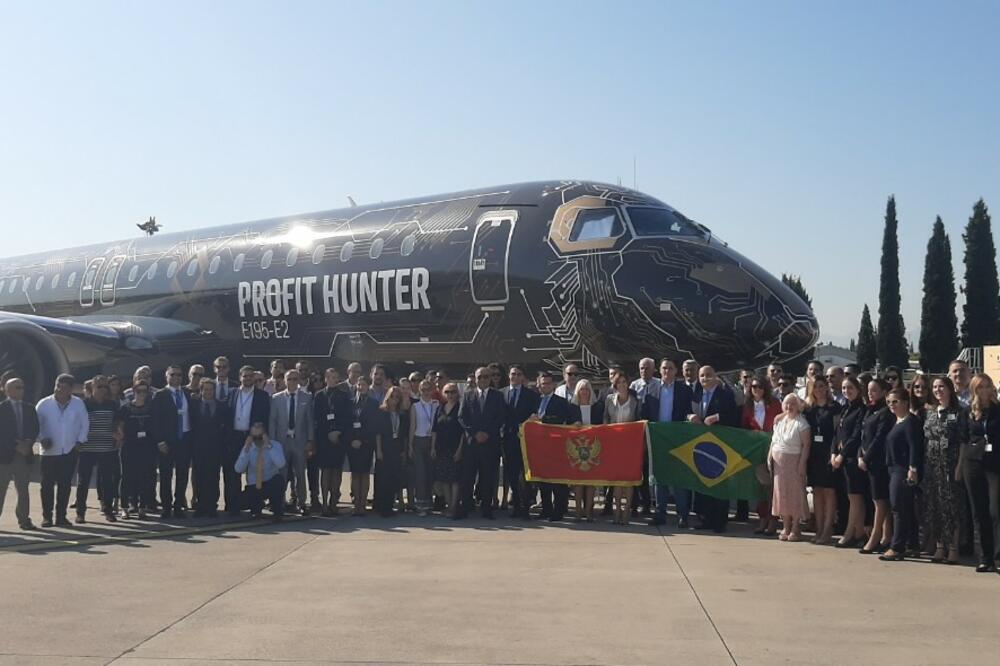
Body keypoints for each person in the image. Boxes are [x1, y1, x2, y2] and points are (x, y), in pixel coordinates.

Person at [689, 366, 739, 533]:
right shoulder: (696, 394)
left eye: (709, 375)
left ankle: (720, 521)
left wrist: (717, 417)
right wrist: (690, 416)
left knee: (719, 484)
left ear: (715, 376)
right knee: (704, 483)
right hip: (701, 445)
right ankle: (705, 519)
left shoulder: (725, 394)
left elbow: (734, 417)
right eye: (702, 376)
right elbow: (686, 411)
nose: (705, 378)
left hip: (720, 446)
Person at [921, 376, 966, 565]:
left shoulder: (959, 412)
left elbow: (962, 441)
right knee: (934, 506)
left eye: (941, 387)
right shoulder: (930, 412)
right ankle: (940, 546)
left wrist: (959, 466)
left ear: (949, 389)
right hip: (932, 464)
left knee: (951, 507)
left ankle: (953, 548)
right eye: (935, 387)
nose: (938, 390)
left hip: (950, 463)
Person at [36, 374, 88, 527]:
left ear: (71, 389)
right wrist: (41, 438)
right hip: (49, 452)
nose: (59, 389)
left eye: (64, 387)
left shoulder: (78, 404)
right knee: (47, 485)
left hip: (69, 451)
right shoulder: (44, 404)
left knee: (65, 485)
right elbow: (35, 425)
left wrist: (80, 441)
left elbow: (84, 424)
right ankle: (47, 517)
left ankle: (61, 516)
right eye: (58, 385)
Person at [880, 389, 924, 561]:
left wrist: (913, 468)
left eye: (895, 401)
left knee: (898, 508)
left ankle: (897, 547)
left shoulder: (911, 422)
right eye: (889, 402)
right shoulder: (897, 421)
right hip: (893, 468)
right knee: (906, 508)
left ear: (906, 402)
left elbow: (914, 446)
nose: (892, 405)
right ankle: (912, 544)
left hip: (903, 469)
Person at [962, 373, 1000, 572]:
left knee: (995, 510)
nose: (984, 391)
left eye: (988, 386)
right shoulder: (968, 412)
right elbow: (963, 438)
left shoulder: (997, 410)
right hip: (973, 463)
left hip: (995, 464)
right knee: (979, 511)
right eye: (980, 387)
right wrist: (960, 468)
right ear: (974, 390)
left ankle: (997, 554)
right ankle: (985, 558)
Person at [458, 367, 507, 519]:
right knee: (468, 478)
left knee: (488, 478)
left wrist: (487, 433)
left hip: (489, 443)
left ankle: (487, 509)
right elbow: (462, 417)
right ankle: (465, 507)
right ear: (476, 378)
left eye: (486, 377)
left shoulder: (497, 396)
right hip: (472, 444)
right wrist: (475, 433)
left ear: (490, 378)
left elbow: (500, 417)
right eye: (480, 377)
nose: (483, 380)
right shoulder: (468, 395)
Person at [650, 357, 693, 527]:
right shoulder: (652, 389)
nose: (667, 371)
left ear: (676, 371)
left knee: (679, 479)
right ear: (660, 371)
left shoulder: (684, 390)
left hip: (678, 439)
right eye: (664, 368)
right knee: (659, 479)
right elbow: (646, 412)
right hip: (658, 438)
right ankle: (660, 514)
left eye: (670, 368)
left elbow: (689, 411)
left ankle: (683, 515)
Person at [225, 366, 271, 516]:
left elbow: (265, 420)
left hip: (254, 438)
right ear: (240, 377)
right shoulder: (231, 393)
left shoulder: (262, 396)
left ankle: (256, 507)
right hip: (234, 438)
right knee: (233, 473)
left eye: (251, 376)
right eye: (245, 376)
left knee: (254, 474)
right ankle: (233, 506)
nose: (248, 379)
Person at [76, 375, 122, 523]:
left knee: (107, 480)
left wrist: (119, 434)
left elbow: (118, 424)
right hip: (87, 448)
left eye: (105, 387)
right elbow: (77, 424)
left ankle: (108, 510)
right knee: (83, 481)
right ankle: (80, 512)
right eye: (99, 387)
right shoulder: (84, 404)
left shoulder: (112, 404)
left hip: (107, 448)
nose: (102, 390)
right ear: (92, 388)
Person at [269, 369, 314, 514]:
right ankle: (279, 502)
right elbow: (273, 422)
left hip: (299, 441)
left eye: (295, 379)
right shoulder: (276, 398)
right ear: (285, 381)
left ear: (299, 380)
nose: (292, 382)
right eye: (290, 379)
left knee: (300, 473)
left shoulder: (307, 397)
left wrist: (310, 440)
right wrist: (272, 443)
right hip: (282, 442)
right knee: (281, 473)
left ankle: (302, 502)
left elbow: (309, 421)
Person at [151, 365, 193, 519]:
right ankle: (167, 507)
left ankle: (178, 505)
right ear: (166, 376)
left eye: (179, 375)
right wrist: (159, 441)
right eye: (172, 374)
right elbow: (155, 420)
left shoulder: (187, 394)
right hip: (167, 441)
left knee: (182, 475)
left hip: (185, 440)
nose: (176, 377)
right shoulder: (161, 395)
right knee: (166, 475)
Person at [803, 376, 842, 544]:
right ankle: (818, 529)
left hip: (829, 453)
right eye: (815, 386)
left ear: (827, 388)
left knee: (829, 492)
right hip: (814, 455)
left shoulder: (835, 408)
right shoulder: (809, 409)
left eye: (821, 386)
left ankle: (827, 530)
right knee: (817, 491)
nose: (818, 389)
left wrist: (834, 452)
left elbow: (837, 433)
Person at [741, 376, 781, 536]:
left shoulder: (775, 404)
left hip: (772, 450)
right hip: (756, 451)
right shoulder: (748, 407)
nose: (757, 390)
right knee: (760, 488)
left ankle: (773, 520)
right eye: (754, 387)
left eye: (760, 387)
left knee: (772, 487)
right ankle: (762, 518)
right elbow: (744, 428)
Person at [532, 372, 574, 522]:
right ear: (539, 385)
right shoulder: (535, 400)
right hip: (539, 445)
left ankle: (559, 510)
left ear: (554, 385)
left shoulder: (561, 401)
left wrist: (542, 419)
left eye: (549, 383)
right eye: (543, 383)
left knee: (558, 481)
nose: (546, 386)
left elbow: (560, 419)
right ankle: (546, 509)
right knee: (543, 480)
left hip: (556, 446)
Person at [858, 378, 894, 554]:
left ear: (883, 392)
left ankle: (876, 535)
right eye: (869, 390)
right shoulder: (870, 409)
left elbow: (879, 438)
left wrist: (867, 457)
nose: (871, 393)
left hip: (879, 461)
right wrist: (860, 455)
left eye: (874, 390)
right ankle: (886, 536)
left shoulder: (886, 412)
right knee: (878, 499)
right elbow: (863, 435)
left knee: (880, 500)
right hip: (866, 459)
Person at [768, 394, 811, 541]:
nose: (789, 407)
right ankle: (785, 526)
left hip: (794, 463)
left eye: (792, 404)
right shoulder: (780, 420)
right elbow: (774, 441)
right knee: (781, 494)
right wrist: (769, 457)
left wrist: (802, 464)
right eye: (786, 404)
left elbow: (806, 446)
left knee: (795, 495)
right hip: (779, 465)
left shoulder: (802, 423)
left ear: (798, 406)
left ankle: (795, 528)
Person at [831, 377, 868, 548]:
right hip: (841, 459)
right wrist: (833, 453)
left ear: (858, 389)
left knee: (855, 498)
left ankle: (849, 533)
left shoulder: (862, 409)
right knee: (851, 497)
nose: (847, 391)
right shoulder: (845, 408)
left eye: (850, 388)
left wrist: (842, 455)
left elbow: (856, 436)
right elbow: (837, 433)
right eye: (844, 388)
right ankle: (858, 531)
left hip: (852, 458)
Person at [0, 377, 40, 530]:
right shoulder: (2, 408)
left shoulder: (29, 408)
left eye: (22, 387)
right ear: (7, 390)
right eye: (17, 387)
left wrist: (28, 442)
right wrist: (16, 445)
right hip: (5, 456)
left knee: (23, 489)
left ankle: (24, 520)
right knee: (1, 489)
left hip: (24, 455)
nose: (21, 390)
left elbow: (34, 427)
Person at [501, 365, 539, 519]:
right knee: (511, 474)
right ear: (509, 376)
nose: (515, 377)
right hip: (508, 439)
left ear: (523, 377)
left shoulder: (531, 395)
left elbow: (534, 414)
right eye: (513, 374)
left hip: (525, 440)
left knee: (525, 476)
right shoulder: (501, 393)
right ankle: (516, 505)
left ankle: (525, 507)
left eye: (518, 374)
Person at [604, 373, 641, 525]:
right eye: (619, 382)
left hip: (630, 444)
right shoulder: (608, 400)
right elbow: (605, 419)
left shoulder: (635, 401)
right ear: (615, 385)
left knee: (629, 480)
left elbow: (638, 421)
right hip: (614, 444)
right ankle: (617, 511)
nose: (622, 385)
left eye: (624, 382)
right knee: (617, 479)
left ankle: (627, 511)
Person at [190, 378, 230, 517]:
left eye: (211, 389)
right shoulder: (194, 405)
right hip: (198, 447)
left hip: (215, 447)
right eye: (205, 389)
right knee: (199, 477)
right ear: (201, 390)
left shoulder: (222, 406)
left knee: (213, 477)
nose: (208, 392)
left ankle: (212, 505)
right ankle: (201, 505)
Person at [313, 367, 350, 516]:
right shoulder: (319, 396)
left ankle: (334, 502)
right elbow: (317, 418)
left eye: (336, 377)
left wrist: (338, 432)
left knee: (337, 471)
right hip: (324, 439)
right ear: (326, 378)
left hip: (339, 439)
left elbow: (347, 417)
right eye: (331, 377)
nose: (334, 379)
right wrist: (327, 433)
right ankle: (324, 503)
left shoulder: (344, 395)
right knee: (325, 471)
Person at [119, 380, 156, 519]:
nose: (141, 394)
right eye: (139, 391)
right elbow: (118, 424)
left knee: (144, 478)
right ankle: (124, 507)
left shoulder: (151, 409)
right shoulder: (126, 408)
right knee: (127, 478)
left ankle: (142, 507)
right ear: (134, 392)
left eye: (144, 391)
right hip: (129, 447)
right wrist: (119, 435)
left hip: (146, 448)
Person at [234, 422, 286, 520]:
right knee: (238, 502)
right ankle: (257, 508)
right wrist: (246, 450)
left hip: (270, 483)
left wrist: (269, 446)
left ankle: (277, 510)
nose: (257, 440)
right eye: (255, 437)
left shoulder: (275, 445)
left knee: (279, 480)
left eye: (260, 436)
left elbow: (281, 464)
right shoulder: (248, 447)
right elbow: (238, 469)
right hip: (254, 486)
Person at [569, 379, 604, 521]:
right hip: (577, 450)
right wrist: (573, 425)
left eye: (587, 389)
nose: (584, 392)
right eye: (582, 389)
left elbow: (601, 425)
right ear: (577, 391)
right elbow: (566, 426)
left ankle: (589, 511)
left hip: (593, 449)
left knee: (590, 482)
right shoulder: (571, 407)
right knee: (578, 482)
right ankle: (578, 511)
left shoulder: (597, 407)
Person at [347, 375, 380, 516]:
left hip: (366, 443)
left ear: (368, 386)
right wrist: (352, 440)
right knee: (355, 474)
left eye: (364, 385)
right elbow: (347, 423)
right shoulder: (350, 402)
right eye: (359, 385)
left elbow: (373, 425)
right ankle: (356, 504)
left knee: (365, 474)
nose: (361, 387)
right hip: (352, 443)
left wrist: (363, 440)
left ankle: (363, 504)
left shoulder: (373, 403)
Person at [375, 386, 409, 517]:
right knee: (384, 478)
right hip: (384, 447)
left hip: (397, 448)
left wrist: (404, 450)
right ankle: (382, 507)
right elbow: (378, 433)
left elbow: (404, 435)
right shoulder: (381, 413)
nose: (394, 400)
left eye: (397, 397)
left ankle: (389, 506)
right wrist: (378, 450)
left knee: (394, 478)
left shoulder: (402, 414)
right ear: (387, 398)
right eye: (392, 397)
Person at [432, 382, 464, 518]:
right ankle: (448, 504)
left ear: (457, 393)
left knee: (455, 479)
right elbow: (434, 429)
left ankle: (454, 506)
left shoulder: (461, 408)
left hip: (455, 448)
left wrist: (460, 450)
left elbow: (463, 431)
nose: (450, 395)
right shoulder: (440, 408)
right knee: (445, 479)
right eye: (447, 392)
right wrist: (433, 447)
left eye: (452, 392)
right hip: (441, 448)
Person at [408, 380, 439, 516]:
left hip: (432, 440)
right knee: (420, 473)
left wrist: (434, 446)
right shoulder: (415, 406)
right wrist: (410, 445)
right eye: (423, 390)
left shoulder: (436, 405)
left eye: (428, 389)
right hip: (419, 440)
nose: (426, 392)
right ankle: (420, 504)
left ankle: (428, 503)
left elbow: (437, 426)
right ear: (420, 391)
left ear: (432, 390)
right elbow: (412, 426)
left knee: (430, 473)